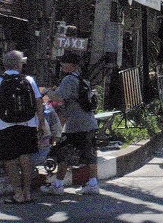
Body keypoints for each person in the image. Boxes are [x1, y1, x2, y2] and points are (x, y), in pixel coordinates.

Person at [40, 51, 100, 195]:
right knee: (90, 155)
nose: (61, 65)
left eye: (64, 63)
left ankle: (58, 185)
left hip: (76, 125)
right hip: (89, 123)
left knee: (63, 155)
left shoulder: (68, 80)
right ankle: (93, 184)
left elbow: (58, 97)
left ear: (71, 65)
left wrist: (47, 91)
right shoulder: (82, 79)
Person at [0, 50, 46, 204]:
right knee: (25, 159)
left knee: (10, 160)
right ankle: (27, 193)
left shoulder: (1, 81)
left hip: (5, 125)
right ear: (19, 65)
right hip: (28, 124)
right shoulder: (28, 80)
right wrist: (41, 123)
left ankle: (17, 193)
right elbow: (39, 103)